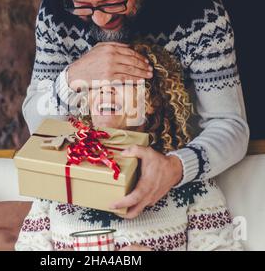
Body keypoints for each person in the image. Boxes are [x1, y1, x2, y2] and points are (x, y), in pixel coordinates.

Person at [22, 0, 249, 220]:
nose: (100, 20)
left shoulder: (198, 10)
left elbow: (231, 126)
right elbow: (37, 124)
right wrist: (72, 78)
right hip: (91, 175)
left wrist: (175, 167)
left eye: (111, 3)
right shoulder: (55, 11)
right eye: (83, 6)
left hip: (178, 181)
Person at [15, 43, 243, 251]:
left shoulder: (192, 184)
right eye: (96, 85)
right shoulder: (57, 175)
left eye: (122, 82)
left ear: (151, 100)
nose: (106, 90)